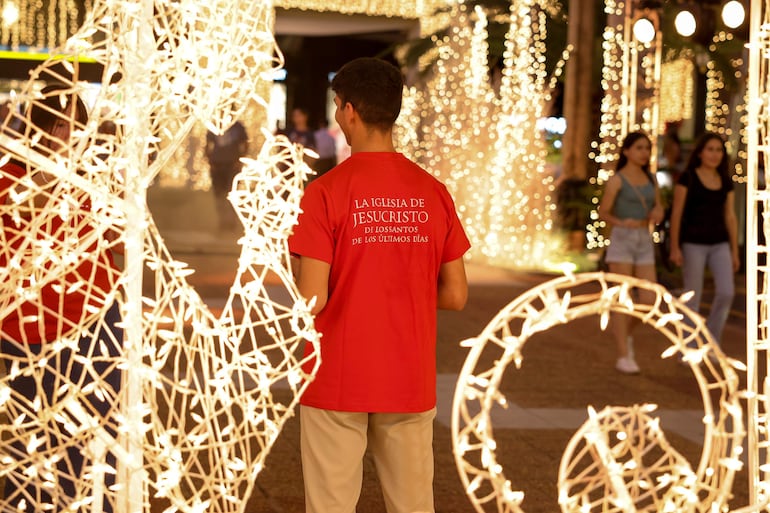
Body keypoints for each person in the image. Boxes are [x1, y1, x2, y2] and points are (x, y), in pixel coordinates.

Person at [288, 57, 470, 513]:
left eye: (336, 105)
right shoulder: (433, 191)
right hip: (407, 374)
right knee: (412, 505)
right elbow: (456, 294)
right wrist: (398, 285)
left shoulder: (325, 193)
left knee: (330, 505)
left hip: (336, 375)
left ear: (349, 110)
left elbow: (312, 298)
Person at [0, 84, 122, 511]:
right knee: (26, 451)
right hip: (22, 336)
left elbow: (115, 248)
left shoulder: (90, 183)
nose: (72, 138)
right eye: (62, 126)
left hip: (92, 331)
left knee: (90, 448)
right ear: (39, 126)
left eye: (78, 128)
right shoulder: (6, 182)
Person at [598, 131, 664, 374]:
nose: (644, 152)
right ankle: (623, 354)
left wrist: (658, 213)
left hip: (643, 238)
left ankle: (624, 335)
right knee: (623, 296)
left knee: (649, 300)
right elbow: (603, 212)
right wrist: (620, 221)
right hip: (623, 238)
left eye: (646, 148)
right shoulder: (617, 180)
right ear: (626, 151)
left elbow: (659, 205)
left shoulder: (651, 178)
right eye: (639, 147)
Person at [669, 132, 739, 352]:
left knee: (727, 292)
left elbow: (730, 216)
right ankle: (688, 347)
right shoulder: (688, 178)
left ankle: (711, 342)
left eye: (719, 150)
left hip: (720, 244)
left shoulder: (725, 181)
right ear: (700, 153)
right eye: (710, 149)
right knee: (693, 297)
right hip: (693, 243)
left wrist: (735, 251)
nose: (715, 154)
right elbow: (677, 214)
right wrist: (674, 247)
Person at [205, 120, 248, 231]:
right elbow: (207, 144)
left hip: (232, 165)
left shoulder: (238, 126)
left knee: (232, 194)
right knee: (219, 195)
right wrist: (210, 160)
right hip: (217, 165)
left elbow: (245, 143)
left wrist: (240, 159)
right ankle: (222, 222)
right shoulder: (214, 125)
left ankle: (231, 223)